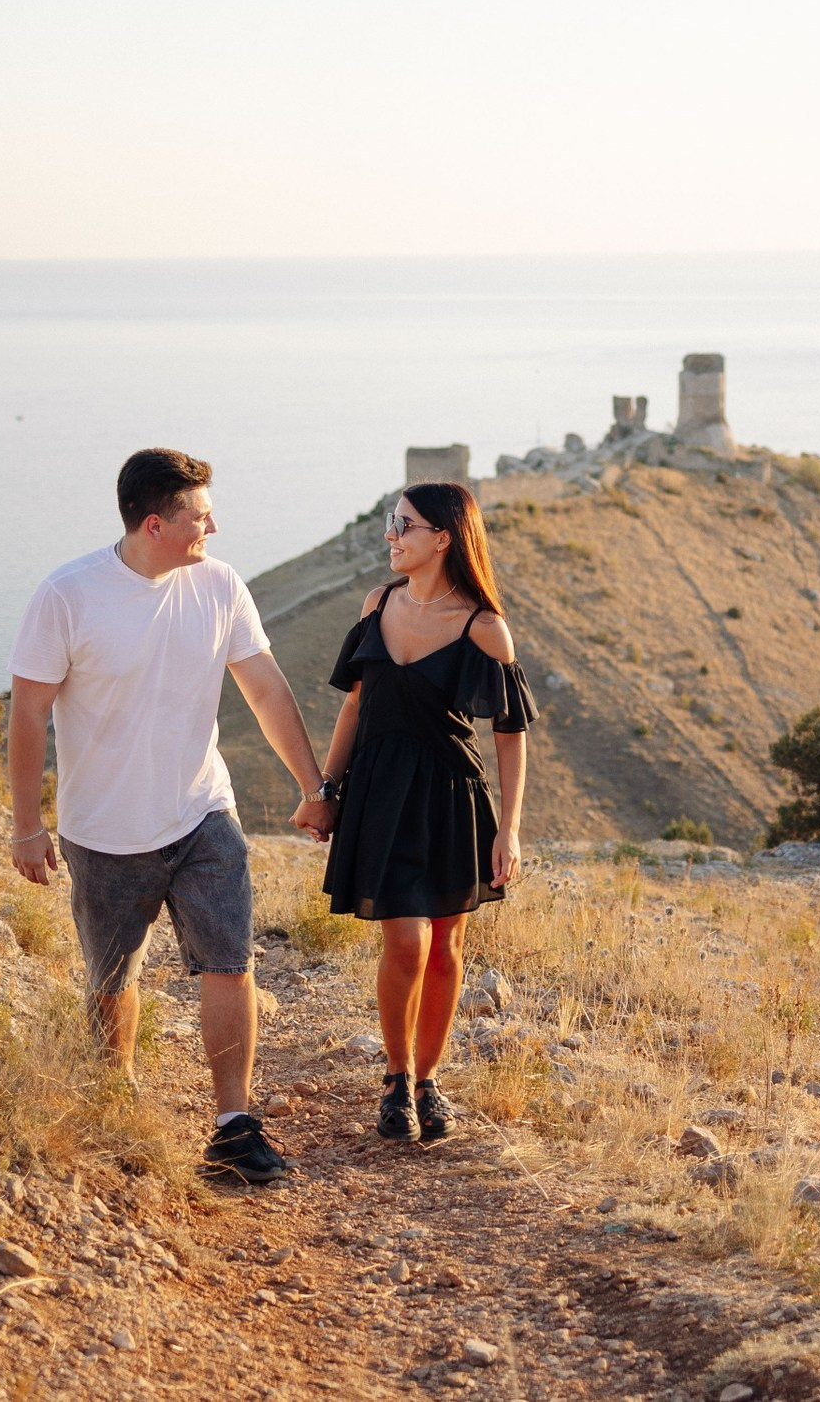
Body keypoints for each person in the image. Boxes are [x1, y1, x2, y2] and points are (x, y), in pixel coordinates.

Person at [6, 448, 339, 1186]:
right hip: (103, 830)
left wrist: (314, 785)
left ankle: (233, 1122)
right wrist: (26, 823)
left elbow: (267, 691)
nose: (213, 525)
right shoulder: (68, 594)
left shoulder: (219, 586)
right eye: (199, 515)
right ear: (155, 523)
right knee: (110, 977)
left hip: (201, 811)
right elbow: (27, 712)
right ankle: (115, 1097)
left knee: (230, 957)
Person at [311, 481, 533, 1144]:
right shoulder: (376, 603)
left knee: (445, 950)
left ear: (442, 536)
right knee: (405, 940)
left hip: (449, 800)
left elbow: (511, 734)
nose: (391, 535)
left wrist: (510, 830)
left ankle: (429, 1080)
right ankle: (396, 1077)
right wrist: (325, 789)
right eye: (390, 521)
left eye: (402, 524)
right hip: (379, 796)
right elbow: (354, 705)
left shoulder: (484, 628)